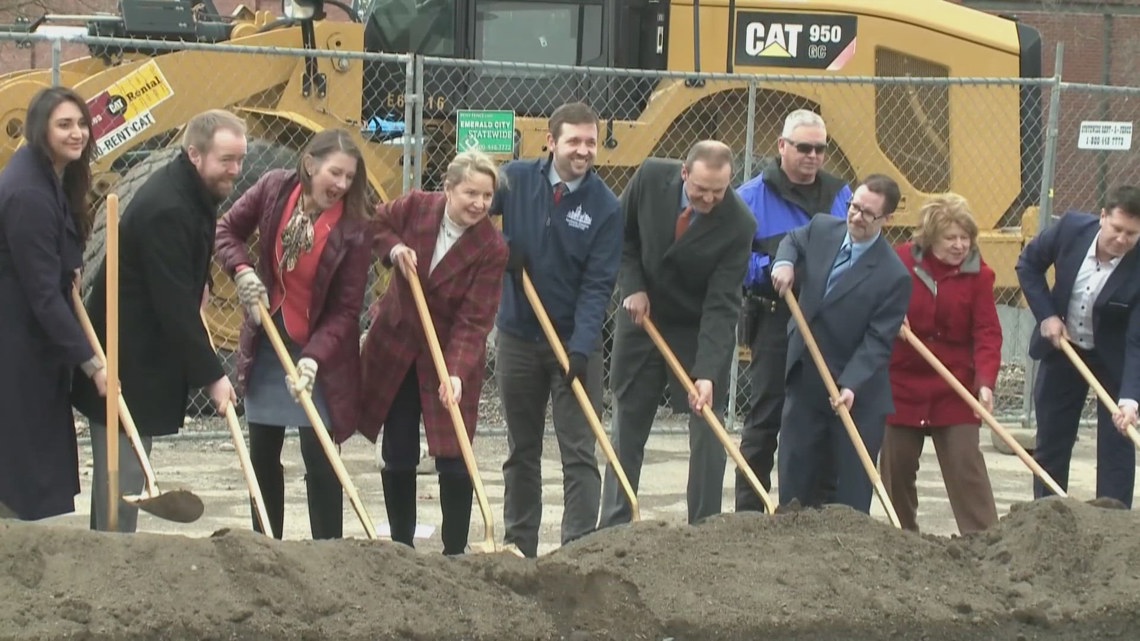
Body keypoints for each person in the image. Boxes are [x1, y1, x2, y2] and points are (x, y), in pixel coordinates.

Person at [72, 109, 245, 533]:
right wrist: (213, 376)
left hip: (142, 351)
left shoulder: (191, 191)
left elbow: (187, 260)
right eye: (226, 160)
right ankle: (113, 558)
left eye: (240, 159)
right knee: (124, 475)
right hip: (126, 354)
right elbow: (172, 307)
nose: (236, 170)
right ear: (195, 154)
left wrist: (200, 281)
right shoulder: (168, 205)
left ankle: (113, 549)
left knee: (127, 468)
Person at [215, 128, 373, 539]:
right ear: (309, 164)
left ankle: (327, 553)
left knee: (320, 455)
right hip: (267, 339)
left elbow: (345, 311)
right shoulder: (273, 189)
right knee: (263, 453)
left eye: (349, 177)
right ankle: (266, 546)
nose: (341, 184)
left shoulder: (354, 230)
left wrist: (313, 357)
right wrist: (243, 270)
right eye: (334, 173)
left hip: (319, 352)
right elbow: (226, 231)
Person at [597, 141, 756, 527]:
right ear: (684, 173)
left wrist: (706, 372)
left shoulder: (738, 223)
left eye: (718, 191)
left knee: (708, 426)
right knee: (628, 424)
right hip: (641, 319)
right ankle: (615, 524)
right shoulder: (650, 177)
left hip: (695, 326)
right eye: (701, 189)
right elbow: (622, 234)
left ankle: (704, 528)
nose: (709, 198)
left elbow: (723, 304)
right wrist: (632, 286)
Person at [359, 150, 508, 555]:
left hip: (449, 356)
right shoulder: (418, 208)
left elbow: (475, 321)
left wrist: (456, 372)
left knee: (454, 452)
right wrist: (392, 249)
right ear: (448, 188)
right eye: (470, 193)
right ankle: (402, 546)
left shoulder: (491, 247)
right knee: (399, 449)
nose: (478, 204)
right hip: (399, 346)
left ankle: (454, 550)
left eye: (487, 196)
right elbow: (376, 221)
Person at [492, 101, 622, 557]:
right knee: (521, 449)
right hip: (517, 337)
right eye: (574, 141)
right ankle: (519, 545)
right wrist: (501, 246)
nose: (584, 150)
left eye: (591, 142)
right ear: (551, 141)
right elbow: (468, 212)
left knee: (579, 453)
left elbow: (598, 285)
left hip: (573, 343)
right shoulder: (515, 179)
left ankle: (577, 550)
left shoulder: (605, 207)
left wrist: (582, 349)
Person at [769, 174, 911, 514]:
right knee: (795, 479)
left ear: (886, 220)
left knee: (848, 494)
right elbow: (793, 240)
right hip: (807, 378)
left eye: (868, 214)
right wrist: (785, 262)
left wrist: (851, 384)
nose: (856, 217)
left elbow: (878, 341)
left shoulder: (894, 276)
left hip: (854, 395)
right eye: (854, 207)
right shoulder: (822, 229)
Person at [734, 109, 852, 512]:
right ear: (782, 146)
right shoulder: (751, 197)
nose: (813, 156)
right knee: (766, 416)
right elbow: (733, 258)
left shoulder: (840, 195)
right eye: (804, 148)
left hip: (826, 322)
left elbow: (855, 248)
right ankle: (749, 511)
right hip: (773, 317)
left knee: (819, 415)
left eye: (820, 149)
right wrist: (771, 271)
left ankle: (812, 509)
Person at [0, 86, 106, 521]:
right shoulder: (27, 192)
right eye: (65, 124)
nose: (77, 133)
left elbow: (52, 259)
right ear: (40, 128)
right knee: (21, 447)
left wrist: (70, 265)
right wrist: (92, 363)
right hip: (16, 339)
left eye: (81, 123)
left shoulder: (49, 178)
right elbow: (43, 294)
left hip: (30, 337)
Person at [879, 193, 1002, 534]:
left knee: (966, 464)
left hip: (954, 385)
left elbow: (987, 333)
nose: (960, 245)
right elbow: (874, 302)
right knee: (897, 466)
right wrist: (891, 317)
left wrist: (985, 382)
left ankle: (984, 539)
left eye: (966, 238)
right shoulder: (900, 261)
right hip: (902, 383)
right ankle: (902, 537)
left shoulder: (979, 276)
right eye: (951, 238)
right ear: (931, 237)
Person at [1015, 185, 1140, 507]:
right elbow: (1028, 265)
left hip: (1114, 358)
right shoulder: (1070, 229)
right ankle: (1048, 515)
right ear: (1102, 217)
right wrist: (1047, 316)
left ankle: (1112, 526)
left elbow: (1136, 339)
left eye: (1133, 234)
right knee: (1052, 442)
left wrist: (1129, 399)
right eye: (1117, 229)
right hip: (1064, 348)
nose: (1123, 240)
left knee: (1118, 444)